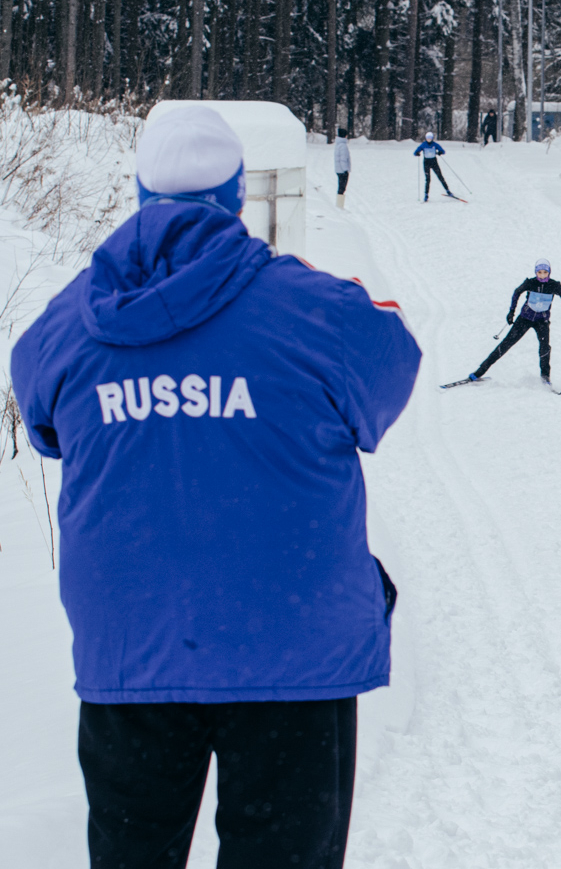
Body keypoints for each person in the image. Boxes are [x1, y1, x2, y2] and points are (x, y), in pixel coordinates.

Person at [9, 105, 422, 868]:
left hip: (132, 650)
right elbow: (390, 371)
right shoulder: (315, 310)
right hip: (291, 654)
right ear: (235, 196)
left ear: (140, 192)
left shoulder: (68, 323)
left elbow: (43, 425)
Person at [468, 260, 561, 387]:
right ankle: (480, 372)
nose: (542, 275)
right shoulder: (530, 283)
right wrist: (511, 312)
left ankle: (545, 377)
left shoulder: (554, 285)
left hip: (542, 321)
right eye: (539, 272)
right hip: (525, 319)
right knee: (506, 344)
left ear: (549, 272)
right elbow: (517, 292)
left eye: (545, 272)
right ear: (536, 272)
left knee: (545, 348)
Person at [413, 131, 451, 201]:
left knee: (440, 176)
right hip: (426, 163)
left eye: (430, 138)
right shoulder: (423, 145)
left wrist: (440, 152)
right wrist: (417, 153)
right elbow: (415, 152)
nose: (429, 139)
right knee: (428, 179)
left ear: (432, 138)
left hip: (434, 162)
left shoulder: (435, 144)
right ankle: (426, 195)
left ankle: (448, 190)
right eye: (428, 138)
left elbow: (442, 151)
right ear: (426, 138)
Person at [334, 126, 350, 208]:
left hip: (338, 169)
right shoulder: (343, 146)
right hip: (342, 170)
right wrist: (345, 169)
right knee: (342, 188)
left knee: (341, 187)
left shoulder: (338, 145)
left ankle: (339, 204)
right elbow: (343, 159)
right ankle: (340, 205)